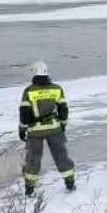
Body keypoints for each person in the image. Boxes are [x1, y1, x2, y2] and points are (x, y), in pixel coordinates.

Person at [18, 61, 75, 195]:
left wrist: (22, 130)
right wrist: (63, 125)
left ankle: (30, 188)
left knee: (33, 159)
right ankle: (70, 182)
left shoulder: (29, 91)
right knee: (61, 156)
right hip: (55, 128)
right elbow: (63, 110)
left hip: (35, 131)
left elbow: (24, 115)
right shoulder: (56, 89)